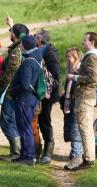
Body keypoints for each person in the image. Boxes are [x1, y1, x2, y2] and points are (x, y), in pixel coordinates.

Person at [68, 32, 97, 169]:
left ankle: (88, 160)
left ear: (92, 42)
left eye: (85, 40)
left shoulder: (92, 57)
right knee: (87, 128)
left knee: (84, 128)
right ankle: (89, 158)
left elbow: (93, 79)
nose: (83, 42)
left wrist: (75, 78)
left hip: (85, 96)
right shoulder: (93, 56)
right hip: (87, 95)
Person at [0, 23, 29, 159]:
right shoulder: (24, 46)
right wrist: (12, 24)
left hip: (11, 92)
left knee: (7, 122)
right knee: (13, 122)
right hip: (18, 92)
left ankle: (16, 153)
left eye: (11, 32)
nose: (10, 34)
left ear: (14, 35)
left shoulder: (16, 51)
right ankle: (16, 152)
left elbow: (9, 75)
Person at [9, 35, 42, 165]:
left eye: (21, 44)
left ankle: (28, 157)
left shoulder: (28, 62)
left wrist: (12, 91)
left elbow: (25, 84)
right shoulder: (36, 57)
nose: (20, 46)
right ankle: (24, 155)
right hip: (29, 99)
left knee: (25, 128)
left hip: (25, 99)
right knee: (25, 127)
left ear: (24, 46)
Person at [35, 29, 61, 164]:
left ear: (40, 39)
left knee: (44, 120)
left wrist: (55, 94)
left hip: (47, 93)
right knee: (36, 120)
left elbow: (56, 75)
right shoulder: (39, 49)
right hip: (38, 91)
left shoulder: (50, 52)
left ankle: (48, 152)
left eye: (36, 36)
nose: (34, 38)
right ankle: (36, 150)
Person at [61, 47, 84, 170]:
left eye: (69, 56)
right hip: (71, 103)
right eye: (67, 56)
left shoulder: (80, 69)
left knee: (75, 129)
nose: (67, 59)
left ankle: (77, 156)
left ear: (76, 58)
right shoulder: (70, 69)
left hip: (78, 102)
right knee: (70, 127)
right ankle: (74, 153)